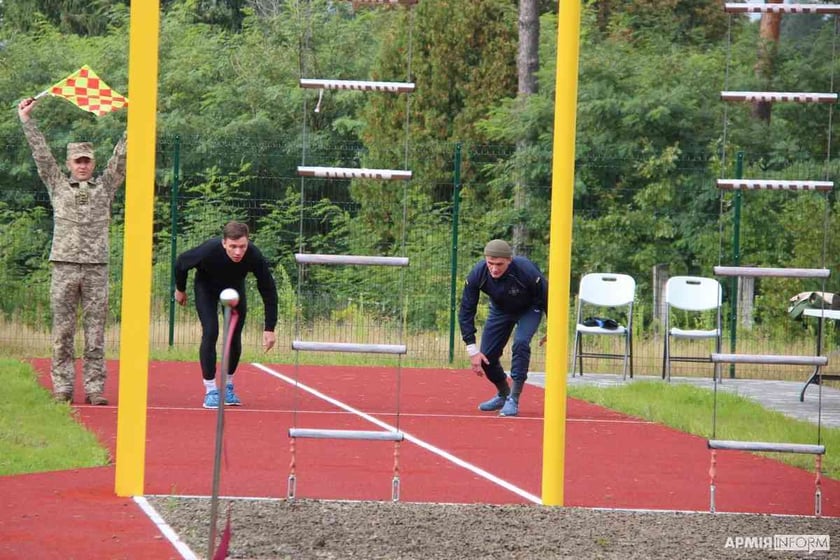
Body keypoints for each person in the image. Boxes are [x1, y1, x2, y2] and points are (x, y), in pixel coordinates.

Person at [18, 97, 127, 405]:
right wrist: (27, 121)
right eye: (77, 161)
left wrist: (134, 126)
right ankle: (63, 387)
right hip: (64, 266)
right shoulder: (57, 184)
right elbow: (41, 156)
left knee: (95, 332)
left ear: (93, 163)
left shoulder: (104, 187)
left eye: (86, 161)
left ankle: (94, 389)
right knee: (63, 331)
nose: (82, 165)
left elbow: (120, 159)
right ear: (69, 164)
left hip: (95, 267)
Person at [174, 221, 278, 408]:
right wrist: (180, 289)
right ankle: (211, 389)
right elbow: (182, 262)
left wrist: (270, 327)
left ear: (248, 243)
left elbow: (268, 288)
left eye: (242, 246)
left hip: (234, 290)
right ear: (224, 243)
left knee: (233, 335)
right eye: (233, 247)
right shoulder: (209, 250)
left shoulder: (254, 255)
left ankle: (228, 385)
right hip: (206, 288)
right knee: (211, 331)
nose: (238, 252)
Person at [458, 239, 548, 417]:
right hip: (500, 311)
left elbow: (548, 297)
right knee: (486, 357)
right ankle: (503, 394)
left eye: (499, 264)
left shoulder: (526, 270)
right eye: (490, 263)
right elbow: (466, 311)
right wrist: (472, 349)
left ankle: (514, 398)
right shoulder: (478, 274)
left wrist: (552, 328)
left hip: (529, 309)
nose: (494, 269)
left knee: (521, 343)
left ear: (509, 260)